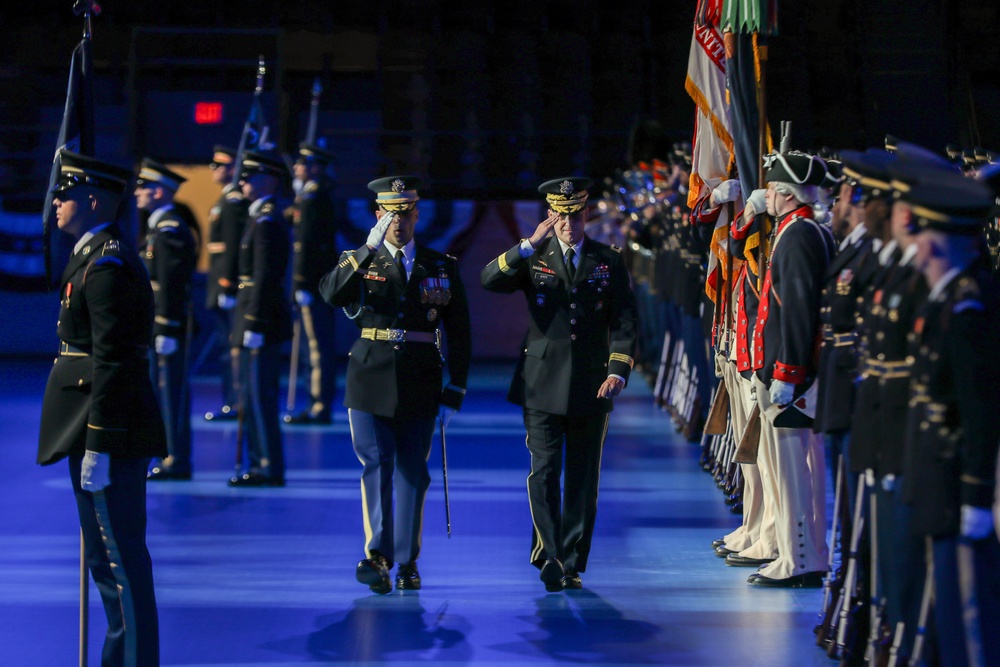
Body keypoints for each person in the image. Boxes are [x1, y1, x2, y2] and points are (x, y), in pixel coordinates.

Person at [37, 150, 166, 665]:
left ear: (93, 201)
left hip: (106, 428)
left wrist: (100, 442)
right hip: (92, 423)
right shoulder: (94, 255)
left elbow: (113, 360)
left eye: (65, 195)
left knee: (117, 560)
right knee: (106, 560)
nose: (57, 202)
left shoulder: (107, 264)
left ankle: (133, 659)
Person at [481, 176, 638, 592]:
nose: (569, 223)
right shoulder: (534, 257)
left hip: (591, 383)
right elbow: (488, 280)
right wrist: (527, 244)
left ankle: (571, 561)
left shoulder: (609, 260)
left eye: (576, 214)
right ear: (551, 215)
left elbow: (624, 320)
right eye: (561, 215)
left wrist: (617, 369)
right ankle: (548, 553)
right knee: (544, 472)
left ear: (587, 213)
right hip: (541, 382)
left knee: (583, 478)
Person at [319, 175, 471, 594]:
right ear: (378, 215)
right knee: (376, 466)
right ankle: (378, 555)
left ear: (417, 215)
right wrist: (366, 249)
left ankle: (407, 559)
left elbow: (459, 330)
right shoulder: (360, 259)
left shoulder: (440, 265)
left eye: (405, 212)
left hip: (420, 377)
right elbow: (331, 294)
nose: (398, 221)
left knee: (411, 473)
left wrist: (455, 385)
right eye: (390, 212)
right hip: (369, 376)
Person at [900, 167, 1000, 667]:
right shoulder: (944, 301)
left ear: (937, 245)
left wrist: (978, 496)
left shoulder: (967, 310)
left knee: (970, 619)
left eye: (920, 236)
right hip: (936, 479)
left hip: (957, 483)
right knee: (948, 619)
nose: (913, 247)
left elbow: (981, 412)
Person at [746, 151, 835, 588]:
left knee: (794, 471)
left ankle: (800, 559)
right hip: (793, 368)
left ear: (783, 193)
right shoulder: (797, 229)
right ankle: (802, 552)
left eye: (771, 187)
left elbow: (798, 308)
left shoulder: (799, 234)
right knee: (797, 466)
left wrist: (788, 371)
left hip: (795, 373)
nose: (765, 194)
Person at [229, 150, 292, 487]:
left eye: (249, 177)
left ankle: (268, 465)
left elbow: (266, 277)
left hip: (262, 322)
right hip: (254, 318)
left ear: (268, 180)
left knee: (259, 396)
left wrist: (253, 321)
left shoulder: (267, 220)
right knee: (250, 394)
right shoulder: (258, 217)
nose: (242, 183)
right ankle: (259, 462)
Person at [134, 158, 198, 481]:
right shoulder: (159, 228)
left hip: (167, 325)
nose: (137, 192)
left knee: (171, 394)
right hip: (158, 324)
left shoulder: (169, 228)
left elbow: (170, 285)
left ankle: (176, 459)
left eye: (144, 187)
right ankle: (170, 456)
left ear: (160, 192)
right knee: (164, 394)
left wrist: (167, 326)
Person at [284, 143, 339, 425]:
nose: (297, 168)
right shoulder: (307, 197)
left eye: (302, 164)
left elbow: (308, 246)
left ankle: (320, 403)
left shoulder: (315, 198)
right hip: (311, 283)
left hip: (313, 284)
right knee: (309, 346)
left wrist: (303, 283)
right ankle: (315, 400)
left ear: (315, 168)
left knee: (317, 347)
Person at [203, 145, 249, 422]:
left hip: (225, 283)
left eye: (220, 166)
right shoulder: (225, 198)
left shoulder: (233, 200)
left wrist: (228, 283)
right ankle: (232, 400)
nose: (215, 171)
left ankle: (236, 401)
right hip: (219, 281)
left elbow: (233, 246)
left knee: (232, 348)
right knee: (226, 347)